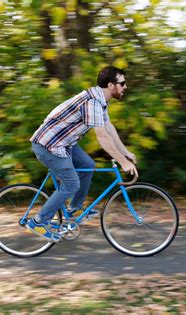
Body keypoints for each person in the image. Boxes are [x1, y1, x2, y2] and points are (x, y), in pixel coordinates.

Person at [27, 66, 138, 242]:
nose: (125, 87)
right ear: (111, 85)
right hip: (48, 145)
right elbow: (102, 137)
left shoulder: (101, 101)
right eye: (122, 83)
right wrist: (122, 162)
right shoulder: (93, 101)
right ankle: (38, 221)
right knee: (71, 185)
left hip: (64, 144)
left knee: (88, 166)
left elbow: (109, 128)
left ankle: (74, 208)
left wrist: (125, 152)